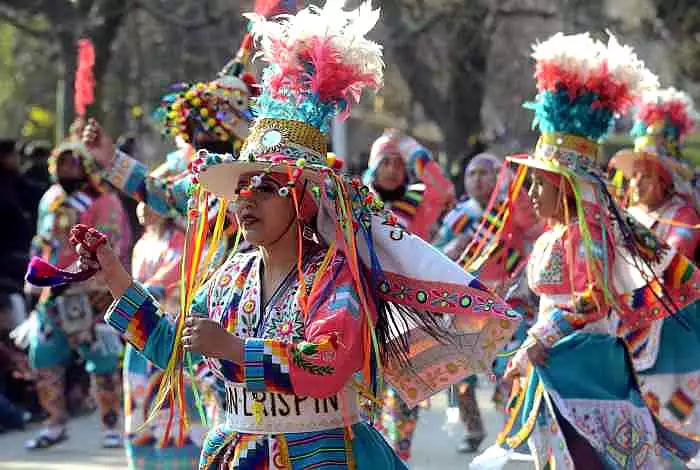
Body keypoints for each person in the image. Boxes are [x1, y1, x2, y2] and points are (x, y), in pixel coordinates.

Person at [74, 3, 519, 468]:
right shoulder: (230, 278)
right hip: (240, 452)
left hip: (325, 455)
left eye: (266, 188)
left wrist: (232, 349)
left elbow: (327, 364)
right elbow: (172, 347)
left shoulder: (334, 277)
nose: (246, 200)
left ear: (304, 199)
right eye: (242, 188)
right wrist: (116, 278)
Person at [471, 32, 700, 469]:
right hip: (552, 369)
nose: (532, 193)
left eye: (542, 183)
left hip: (588, 372)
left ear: (571, 188)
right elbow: (534, 297)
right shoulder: (550, 237)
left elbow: (593, 300)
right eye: (532, 182)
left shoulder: (592, 234)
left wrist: (540, 337)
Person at [607, 87, 700, 459]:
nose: (635, 184)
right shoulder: (630, 216)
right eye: (633, 176)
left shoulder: (684, 217)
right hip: (635, 327)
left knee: (678, 426)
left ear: (665, 179)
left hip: (676, 334)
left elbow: (671, 261)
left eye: (645, 175)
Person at [23, 141, 131, 450]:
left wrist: (81, 277)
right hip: (52, 294)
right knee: (42, 357)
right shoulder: (51, 199)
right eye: (61, 164)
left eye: (74, 164)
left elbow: (111, 245)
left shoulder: (104, 200)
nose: (67, 170)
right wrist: (35, 274)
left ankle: (110, 425)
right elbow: (41, 241)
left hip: (92, 293)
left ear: (86, 167)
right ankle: (53, 423)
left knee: (104, 361)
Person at [435, 153, 542, 453]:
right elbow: (438, 252)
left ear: (498, 177)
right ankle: (473, 428)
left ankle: (517, 429)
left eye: (485, 173)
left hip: (511, 303)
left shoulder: (514, 209)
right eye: (471, 174)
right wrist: (450, 248)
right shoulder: (458, 217)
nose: (478, 179)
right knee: (460, 373)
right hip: (468, 306)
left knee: (511, 367)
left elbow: (537, 234)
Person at [363, 129, 455, 461]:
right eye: (385, 161)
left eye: (398, 163)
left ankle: (399, 458)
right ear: (373, 166)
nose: (392, 169)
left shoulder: (418, 202)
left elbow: (443, 189)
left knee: (405, 395)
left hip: (407, 313)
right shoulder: (357, 199)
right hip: (364, 309)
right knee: (365, 394)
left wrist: (412, 149)